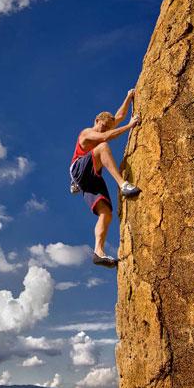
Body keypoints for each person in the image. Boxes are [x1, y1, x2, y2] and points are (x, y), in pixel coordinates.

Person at [69, 89, 141, 268]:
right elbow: (104, 137)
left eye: (108, 127)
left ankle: (98, 252)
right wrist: (130, 126)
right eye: (103, 125)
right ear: (96, 120)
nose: (106, 129)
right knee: (103, 146)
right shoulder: (87, 132)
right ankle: (123, 185)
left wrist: (129, 97)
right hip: (79, 168)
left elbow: (120, 116)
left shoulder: (107, 126)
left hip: (92, 176)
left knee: (106, 213)